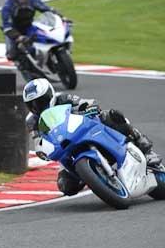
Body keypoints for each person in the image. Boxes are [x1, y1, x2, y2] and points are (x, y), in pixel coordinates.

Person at [22, 78, 160, 195]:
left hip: (84, 129)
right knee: (65, 186)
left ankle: (142, 145)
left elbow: (86, 102)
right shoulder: (31, 121)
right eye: (32, 104)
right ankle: (91, 175)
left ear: (50, 94)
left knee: (111, 115)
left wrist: (89, 107)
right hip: (64, 146)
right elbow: (38, 141)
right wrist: (42, 151)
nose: (37, 106)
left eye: (40, 101)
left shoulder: (63, 98)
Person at [1, 0, 64, 81]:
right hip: (14, 30)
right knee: (12, 53)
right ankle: (25, 70)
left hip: (29, 26)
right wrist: (18, 37)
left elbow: (46, 9)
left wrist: (60, 17)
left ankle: (50, 59)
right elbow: (7, 26)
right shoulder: (7, 7)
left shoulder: (33, 0)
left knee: (45, 37)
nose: (23, 0)